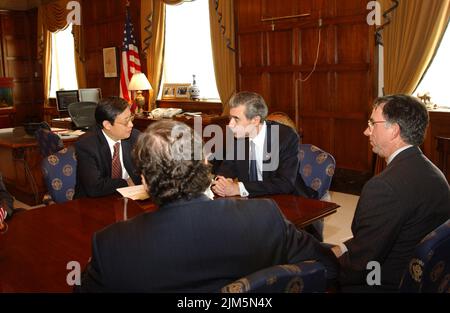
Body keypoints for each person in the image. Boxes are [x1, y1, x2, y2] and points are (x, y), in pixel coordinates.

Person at [76, 120, 338, 292]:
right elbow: (325, 265)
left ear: (144, 179)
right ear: (205, 163)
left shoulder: (110, 244)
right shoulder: (265, 216)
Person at [331, 94, 450, 292]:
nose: (366, 132)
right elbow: (386, 234)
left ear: (394, 130)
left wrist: (318, 271)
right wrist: (343, 247)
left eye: (372, 123)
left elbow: (359, 267)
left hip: (383, 282)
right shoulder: (435, 173)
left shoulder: (384, 187)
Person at [212, 91, 316, 198]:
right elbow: (225, 169)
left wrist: (239, 188)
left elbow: (285, 183)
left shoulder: (286, 137)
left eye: (236, 119)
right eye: (230, 118)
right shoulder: (238, 136)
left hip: (288, 200)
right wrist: (220, 183)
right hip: (252, 202)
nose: (230, 125)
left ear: (255, 120)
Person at [74, 96, 141, 198]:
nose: (131, 125)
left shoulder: (135, 137)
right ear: (107, 125)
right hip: (93, 203)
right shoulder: (86, 145)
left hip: (129, 198)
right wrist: (126, 182)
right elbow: (95, 187)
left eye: (131, 118)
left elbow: (148, 170)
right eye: (125, 121)